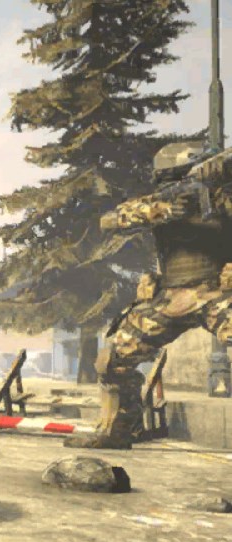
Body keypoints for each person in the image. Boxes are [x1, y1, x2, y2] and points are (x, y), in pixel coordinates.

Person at [66, 142, 232, 449]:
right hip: (170, 298)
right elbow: (112, 219)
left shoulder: (221, 196)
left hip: (216, 292)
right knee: (112, 360)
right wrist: (163, 209)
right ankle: (118, 431)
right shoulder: (160, 203)